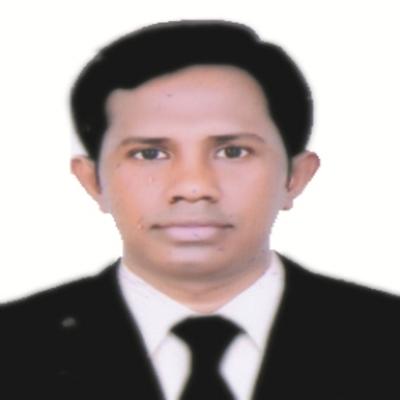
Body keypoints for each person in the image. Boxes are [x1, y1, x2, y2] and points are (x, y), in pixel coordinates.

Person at [1, 20, 399, 399]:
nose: (193, 188)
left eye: (233, 151)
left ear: (295, 176)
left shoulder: (385, 338)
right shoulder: (14, 347)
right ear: (93, 181)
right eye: (150, 154)